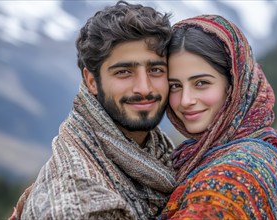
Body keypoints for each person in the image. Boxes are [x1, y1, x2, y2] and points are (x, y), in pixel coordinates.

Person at [9, 1, 176, 219]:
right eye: (124, 72)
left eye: (155, 69)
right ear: (92, 81)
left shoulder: (163, 156)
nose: (144, 88)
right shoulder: (76, 203)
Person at [158, 15, 277, 219]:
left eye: (201, 83)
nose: (185, 100)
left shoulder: (229, 178)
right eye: (175, 86)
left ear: (234, 85)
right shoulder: (261, 146)